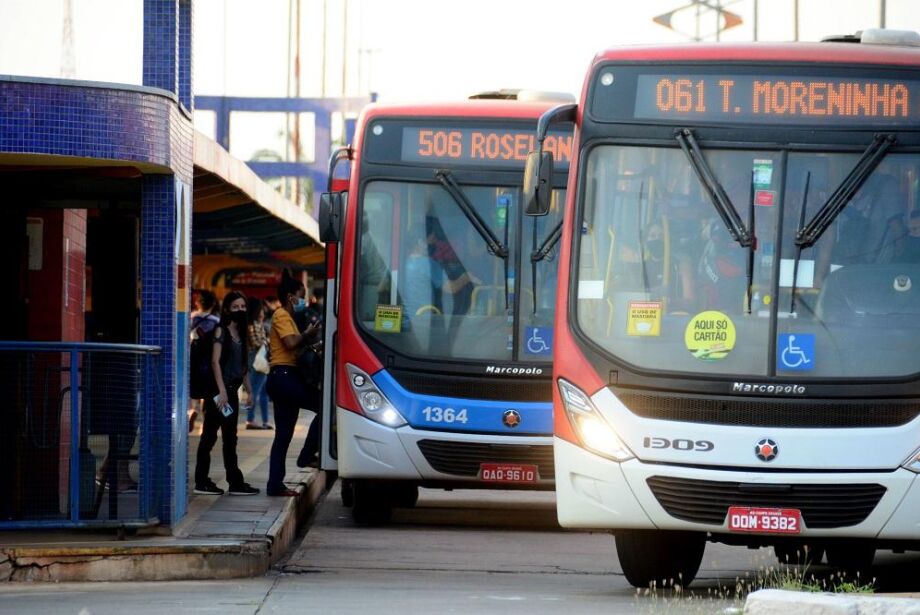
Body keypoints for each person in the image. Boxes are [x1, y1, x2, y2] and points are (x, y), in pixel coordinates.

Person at [193, 291, 260, 496]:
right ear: (226, 310)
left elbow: (242, 367)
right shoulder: (221, 331)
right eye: (235, 307)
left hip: (231, 391)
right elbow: (215, 362)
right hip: (218, 392)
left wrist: (249, 391)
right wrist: (221, 392)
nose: (240, 310)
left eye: (242, 307)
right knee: (211, 436)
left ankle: (233, 481)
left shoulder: (241, 334)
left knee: (230, 437)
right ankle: (204, 481)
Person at [266, 270, 321, 496]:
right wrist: (308, 334)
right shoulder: (281, 315)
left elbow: (295, 349)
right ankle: (307, 455)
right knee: (326, 409)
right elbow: (290, 343)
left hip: (285, 378)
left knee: (284, 434)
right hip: (284, 378)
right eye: (301, 295)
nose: (303, 300)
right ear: (290, 297)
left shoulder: (288, 317)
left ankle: (274, 484)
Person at [188, 290, 220, 433]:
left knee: (192, 385)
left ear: (197, 303)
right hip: (208, 358)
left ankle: (191, 410)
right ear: (213, 304)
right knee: (207, 390)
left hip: (193, 356)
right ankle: (204, 424)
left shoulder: (192, 318)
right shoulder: (216, 321)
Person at [244, 297, 272, 430]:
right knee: (255, 391)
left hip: (258, 360)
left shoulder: (256, 324)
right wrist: (268, 341)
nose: (263, 312)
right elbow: (257, 343)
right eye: (261, 309)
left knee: (263, 391)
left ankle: (265, 421)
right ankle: (250, 419)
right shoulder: (254, 324)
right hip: (258, 360)